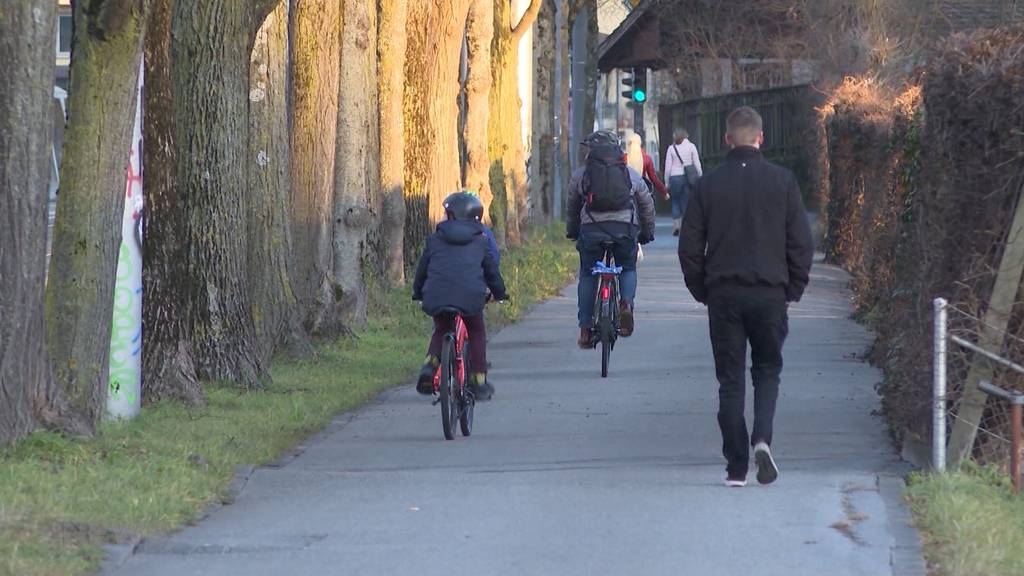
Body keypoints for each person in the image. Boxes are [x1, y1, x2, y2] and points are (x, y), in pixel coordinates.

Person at [679, 107, 813, 487]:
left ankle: (736, 466)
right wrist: (793, 289)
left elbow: (689, 246)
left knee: (730, 379)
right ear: (761, 138)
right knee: (767, 371)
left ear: (726, 140)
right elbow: (801, 243)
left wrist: (702, 289)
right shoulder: (783, 182)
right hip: (770, 293)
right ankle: (763, 440)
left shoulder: (708, 186)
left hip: (724, 295)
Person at [413, 192, 508, 400]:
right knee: (476, 331)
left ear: (450, 215)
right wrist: (500, 293)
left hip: (437, 295)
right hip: (471, 297)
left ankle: (430, 366)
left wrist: (417, 293)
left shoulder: (435, 239)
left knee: (441, 328)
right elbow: (492, 272)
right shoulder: (481, 242)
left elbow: (422, 269)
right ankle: (478, 380)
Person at [567, 130, 656, 349]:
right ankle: (625, 303)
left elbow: (572, 205)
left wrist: (573, 230)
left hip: (592, 231)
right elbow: (646, 203)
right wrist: (647, 232)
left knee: (588, 274)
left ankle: (585, 330)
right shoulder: (629, 173)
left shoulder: (581, 174)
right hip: (624, 230)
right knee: (627, 268)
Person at [663, 128, 703, 236]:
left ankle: (676, 226)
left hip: (674, 177)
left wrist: (666, 182)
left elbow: (668, 166)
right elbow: (696, 163)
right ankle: (686, 226)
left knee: (675, 201)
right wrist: (700, 176)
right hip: (687, 177)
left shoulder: (671, 148)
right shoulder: (691, 147)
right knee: (686, 201)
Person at [624, 132, 669, 201]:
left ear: (629, 144)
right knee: (647, 209)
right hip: (641, 191)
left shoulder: (624, 158)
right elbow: (654, 178)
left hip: (627, 191)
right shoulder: (646, 158)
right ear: (640, 144)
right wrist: (664, 192)